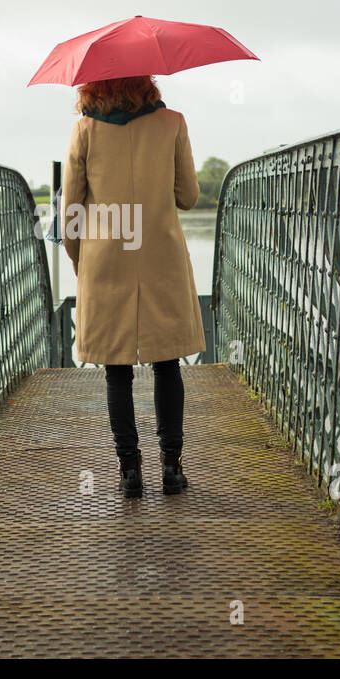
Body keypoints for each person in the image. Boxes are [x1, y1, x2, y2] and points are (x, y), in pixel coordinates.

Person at [60, 75, 206, 497]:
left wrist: (78, 258)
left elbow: (71, 208)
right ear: (148, 81)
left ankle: (129, 473)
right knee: (167, 363)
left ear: (94, 86)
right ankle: (172, 469)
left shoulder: (84, 129)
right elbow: (189, 197)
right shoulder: (173, 123)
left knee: (116, 370)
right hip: (160, 253)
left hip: (107, 257)